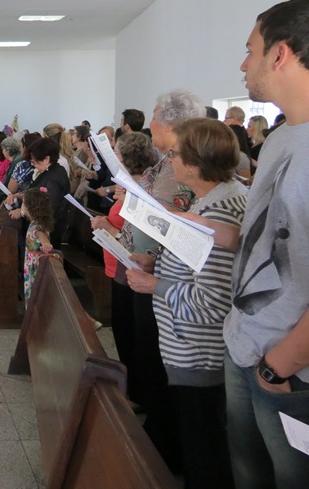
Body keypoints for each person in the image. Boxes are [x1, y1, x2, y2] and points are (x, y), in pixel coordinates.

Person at [127, 119, 246, 489]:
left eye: (175, 154)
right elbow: (193, 265)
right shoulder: (211, 200)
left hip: (199, 353)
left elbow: (212, 302)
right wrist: (155, 261)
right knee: (195, 445)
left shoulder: (219, 212)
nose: (169, 158)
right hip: (189, 351)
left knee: (205, 458)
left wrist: (155, 285)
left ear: (194, 165)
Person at [224, 0, 309, 489]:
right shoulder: (280, 138)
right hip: (247, 341)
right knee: (248, 471)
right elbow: (270, 238)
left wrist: (281, 367)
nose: (243, 63)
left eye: (250, 49)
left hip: (288, 366)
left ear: (280, 54)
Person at [90, 131, 158, 406]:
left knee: (131, 332)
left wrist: (107, 225)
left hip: (129, 265)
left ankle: (137, 392)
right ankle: (131, 385)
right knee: (123, 328)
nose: (114, 157)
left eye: (117, 153)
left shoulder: (143, 189)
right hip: (117, 264)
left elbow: (134, 236)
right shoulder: (129, 184)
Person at [21, 187, 54, 304]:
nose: (22, 206)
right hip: (30, 263)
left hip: (34, 267)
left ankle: (32, 317)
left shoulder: (37, 227)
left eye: (23, 204)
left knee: (32, 292)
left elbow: (43, 237)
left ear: (30, 208)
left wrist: (46, 244)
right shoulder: (37, 222)